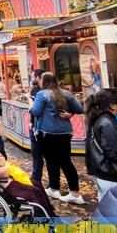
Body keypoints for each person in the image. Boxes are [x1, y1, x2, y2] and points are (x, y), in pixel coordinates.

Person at [0, 129, 56, 217]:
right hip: (3, 182)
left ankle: (49, 213)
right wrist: (6, 171)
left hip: (7, 177)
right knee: (34, 192)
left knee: (37, 184)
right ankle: (43, 217)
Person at [29, 72, 84, 204]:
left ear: (44, 81)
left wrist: (30, 102)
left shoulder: (42, 94)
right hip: (65, 132)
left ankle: (54, 188)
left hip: (47, 132)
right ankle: (74, 191)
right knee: (66, 161)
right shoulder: (66, 93)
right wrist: (70, 114)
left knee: (51, 161)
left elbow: (35, 111)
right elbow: (79, 109)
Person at [84, 89, 117, 201]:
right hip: (112, 176)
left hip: (103, 174)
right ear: (112, 105)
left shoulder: (98, 120)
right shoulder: (107, 123)